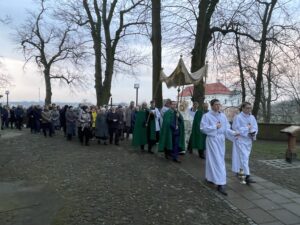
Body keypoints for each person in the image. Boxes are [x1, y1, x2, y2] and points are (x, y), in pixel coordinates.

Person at [200, 99, 238, 196]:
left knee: (217, 159)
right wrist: (214, 127)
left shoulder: (222, 116)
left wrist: (234, 133)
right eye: (216, 104)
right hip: (212, 139)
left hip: (220, 140)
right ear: (211, 106)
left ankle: (210, 177)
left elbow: (226, 129)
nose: (218, 106)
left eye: (219, 104)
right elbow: (203, 129)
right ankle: (221, 183)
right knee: (217, 161)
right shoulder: (206, 116)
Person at [232, 102, 258, 184]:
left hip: (248, 140)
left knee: (244, 158)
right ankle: (247, 176)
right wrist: (246, 129)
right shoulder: (238, 117)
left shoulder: (252, 117)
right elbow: (235, 128)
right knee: (244, 158)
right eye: (247, 108)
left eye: (250, 108)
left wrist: (253, 133)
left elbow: (255, 127)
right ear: (242, 108)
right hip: (240, 140)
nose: (248, 109)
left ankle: (240, 172)